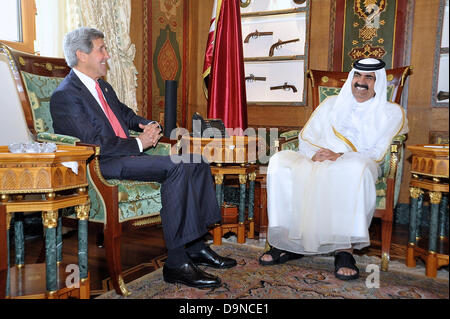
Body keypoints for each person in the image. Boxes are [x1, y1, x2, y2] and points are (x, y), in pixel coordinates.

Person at [50, 27, 236, 289]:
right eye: (101, 49)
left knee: (198, 161)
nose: (107, 55)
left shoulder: (101, 86)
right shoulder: (66, 95)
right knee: (177, 167)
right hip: (103, 164)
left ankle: (195, 246)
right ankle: (176, 264)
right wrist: (140, 142)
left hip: (125, 154)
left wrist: (146, 125)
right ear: (82, 54)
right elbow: (94, 143)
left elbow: (125, 115)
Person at [259, 58, 407, 281]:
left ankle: (344, 251)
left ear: (379, 82)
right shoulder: (330, 104)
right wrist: (315, 154)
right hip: (320, 156)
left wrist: (341, 156)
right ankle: (289, 243)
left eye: (369, 77)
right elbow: (307, 137)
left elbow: (378, 151)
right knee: (280, 162)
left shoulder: (390, 112)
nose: (361, 81)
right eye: (357, 75)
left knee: (352, 169)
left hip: (359, 162)